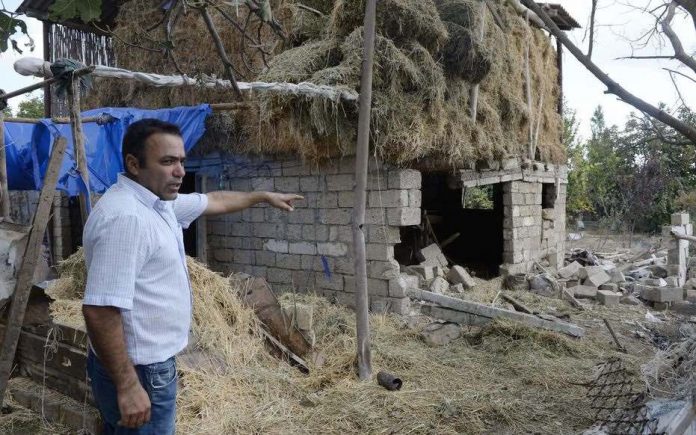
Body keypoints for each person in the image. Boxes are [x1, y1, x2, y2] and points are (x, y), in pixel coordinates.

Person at [82, 119, 302, 434]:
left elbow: (215, 200)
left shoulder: (158, 204)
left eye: (182, 161)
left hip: (145, 367)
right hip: (140, 370)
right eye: (167, 161)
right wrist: (128, 385)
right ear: (134, 164)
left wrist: (262, 196)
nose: (180, 172)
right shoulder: (127, 218)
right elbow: (100, 310)